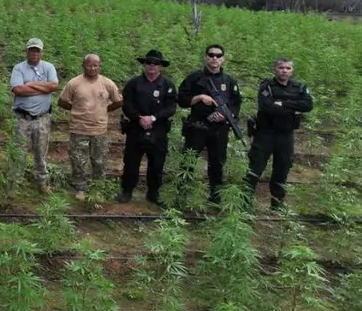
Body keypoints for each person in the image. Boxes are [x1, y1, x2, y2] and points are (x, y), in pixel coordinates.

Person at [244, 57, 313, 210]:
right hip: (265, 134)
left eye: (288, 68)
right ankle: (245, 203)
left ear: (292, 71)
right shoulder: (266, 86)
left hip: (286, 135)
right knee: (255, 168)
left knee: (282, 170)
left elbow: (308, 105)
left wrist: (283, 103)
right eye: (281, 68)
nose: (284, 71)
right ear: (275, 70)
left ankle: (277, 205)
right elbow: (267, 107)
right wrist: (293, 108)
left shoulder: (299, 87)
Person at [176, 44, 242, 205]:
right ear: (206, 57)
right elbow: (181, 100)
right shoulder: (195, 78)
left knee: (217, 161)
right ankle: (182, 192)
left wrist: (226, 116)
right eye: (211, 55)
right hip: (198, 126)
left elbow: (236, 102)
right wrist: (198, 97)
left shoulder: (229, 81)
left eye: (218, 56)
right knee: (188, 160)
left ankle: (215, 194)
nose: (214, 58)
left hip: (220, 128)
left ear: (223, 59)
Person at [58, 54, 123, 201]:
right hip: (78, 129)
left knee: (99, 161)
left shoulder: (107, 83)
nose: (92, 68)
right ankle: (80, 188)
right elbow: (62, 101)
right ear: (83, 65)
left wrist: (104, 110)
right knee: (78, 161)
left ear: (100, 66)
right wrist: (77, 109)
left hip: (99, 130)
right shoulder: (74, 83)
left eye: (96, 65)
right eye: (89, 65)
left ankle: (97, 189)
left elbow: (118, 101)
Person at [118, 49, 178, 205]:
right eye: (148, 62)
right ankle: (127, 190)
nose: (152, 66)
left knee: (157, 163)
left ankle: (153, 193)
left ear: (160, 66)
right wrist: (139, 118)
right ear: (144, 65)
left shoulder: (168, 85)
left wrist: (153, 118)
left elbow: (171, 107)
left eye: (155, 63)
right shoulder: (133, 83)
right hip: (136, 127)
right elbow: (127, 104)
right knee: (131, 161)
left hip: (158, 129)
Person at [9, 38, 59, 194]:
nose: (34, 53)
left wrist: (29, 84)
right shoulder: (19, 68)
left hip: (42, 118)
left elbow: (53, 86)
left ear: (41, 52)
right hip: (22, 118)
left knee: (41, 152)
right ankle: (14, 185)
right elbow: (18, 90)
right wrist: (43, 89)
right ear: (27, 51)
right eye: (32, 50)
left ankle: (42, 184)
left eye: (37, 50)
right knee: (18, 153)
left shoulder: (49, 67)